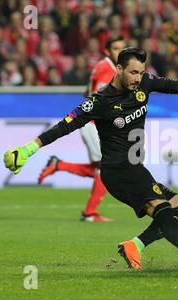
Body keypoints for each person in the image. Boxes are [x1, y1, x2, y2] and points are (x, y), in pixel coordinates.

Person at [4, 47, 178, 270]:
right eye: (133, 72)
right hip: (118, 170)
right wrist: (29, 149)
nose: (138, 78)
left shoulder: (144, 84)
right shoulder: (100, 101)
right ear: (119, 69)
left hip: (135, 167)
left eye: (141, 72)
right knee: (162, 208)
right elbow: (65, 125)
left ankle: (135, 245)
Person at [38, 36, 126, 223]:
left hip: (93, 123)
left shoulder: (106, 67)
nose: (121, 52)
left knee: (100, 167)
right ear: (107, 51)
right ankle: (89, 213)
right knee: (107, 167)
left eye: (123, 48)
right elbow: (99, 98)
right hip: (94, 124)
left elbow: (86, 93)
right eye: (117, 48)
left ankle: (58, 165)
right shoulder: (106, 69)